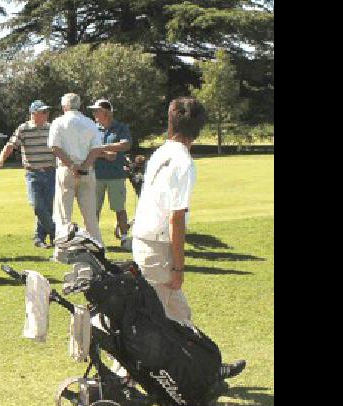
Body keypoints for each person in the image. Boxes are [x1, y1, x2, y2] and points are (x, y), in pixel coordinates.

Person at [130, 98, 246, 380]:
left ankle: (206, 369)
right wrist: (179, 267)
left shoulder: (161, 153)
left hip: (145, 241)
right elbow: (176, 218)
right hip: (158, 247)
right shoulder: (183, 161)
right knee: (151, 321)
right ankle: (122, 379)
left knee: (179, 313)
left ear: (170, 123)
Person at [0, 100, 57, 248]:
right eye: (43, 112)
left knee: (47, 208)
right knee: (37, 206)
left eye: (47, 111)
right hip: (33, 173)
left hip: (50, 172)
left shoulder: (52, 128)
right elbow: (11, 145)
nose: (46, 114)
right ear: (33, 114)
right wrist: (1, 159)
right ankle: (55, 232)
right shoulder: (24, 129)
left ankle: (39, 238)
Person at [48, 93, 105, 250]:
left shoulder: (58, 122)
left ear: (64, 106)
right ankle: (97, 247)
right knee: (90, 215)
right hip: (87, 170)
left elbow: (55, 147)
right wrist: (85, 166)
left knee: (63, 214)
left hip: (66, 169)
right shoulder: (89, 123)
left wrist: (72, 166)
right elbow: (97, 148)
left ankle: (62, 249)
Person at [87, 99, 134, 247]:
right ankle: (93, 239)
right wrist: (105, 154)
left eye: (96, 111)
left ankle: (125, 237)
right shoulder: (93, 129)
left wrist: (105, 148)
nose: (94, 113)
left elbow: (126, 144)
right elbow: (87, 149)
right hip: (96, 176)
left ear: (106, 112)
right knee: (93, 209)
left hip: (116, 175)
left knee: (119, 208)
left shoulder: (120, 128)